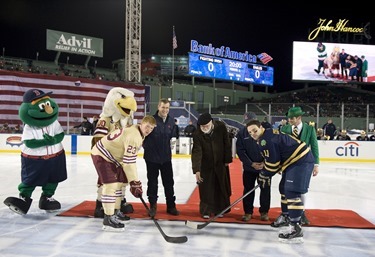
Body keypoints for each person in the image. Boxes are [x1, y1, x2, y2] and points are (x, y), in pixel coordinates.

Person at [246, 119, 315, 243]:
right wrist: (266, 173)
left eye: (255, 131)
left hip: (300, 160)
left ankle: (296, 228)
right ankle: (286, 216)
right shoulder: (267, 134)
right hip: (293, 161)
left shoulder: (265, 140)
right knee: (283, 187)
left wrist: (264, 175)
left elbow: (273, 164)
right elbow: (274, 159)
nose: (253, 134)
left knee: (291, 192)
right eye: (250, 133)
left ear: (261, 127)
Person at [91, 115, 156, 231]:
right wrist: (134, 182)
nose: (149, 130)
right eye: (147, 127)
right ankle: (108, 217)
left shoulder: (138, 132)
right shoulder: (134, 136)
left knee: (120, 183)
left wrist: (133, 182)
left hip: (113, 158)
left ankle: (116, 211)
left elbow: (128, 160)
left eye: (151, 128)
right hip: (102, 155)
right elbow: (129, 162)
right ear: (141, 123)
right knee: (111, 185)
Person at [280, 107, 319, 225]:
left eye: (292, 118)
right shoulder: (285, 128)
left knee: (301, 189)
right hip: (288, 164)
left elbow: (315, 147)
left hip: (304, 164)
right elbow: (280, 147)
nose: (289, 120)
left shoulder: (309, 129)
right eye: (288, 118)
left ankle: (301, 212)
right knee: (286, 189)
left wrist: (316, 165)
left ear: (299, 118)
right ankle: (286, 214)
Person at [143, 98, 180, 217]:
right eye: (163, 107)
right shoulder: (151, 120)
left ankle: (171, 206)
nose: (165, 110)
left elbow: (174, 135)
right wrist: (148, 148)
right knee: (152, 183)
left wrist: (174, 139)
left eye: (167, 108)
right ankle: (153, 206)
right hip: (152, 158)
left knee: (169, 183)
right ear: (158, 107)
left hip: (166, 159)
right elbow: (143, 136)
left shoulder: (171, 121)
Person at [191, 113, 232, 219]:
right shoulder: (197, 134)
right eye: (202, 126)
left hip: (220, 163)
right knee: (206, 189)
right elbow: (196, 152)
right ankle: (206, 211)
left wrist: (227, 159)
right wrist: (197, 170)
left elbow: (226, 142)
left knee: (221, 186)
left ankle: (221, 210)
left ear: (212, 123)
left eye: (206, 126)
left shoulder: (221, 127)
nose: (204, 128)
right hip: (206, 165)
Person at [236, 112, 270, 222]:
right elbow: (240, 151)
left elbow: (272, 150)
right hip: (249, 168)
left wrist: (265, 163)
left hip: (264, 168)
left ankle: (264, 212)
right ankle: (248, 212)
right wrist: (251, 163)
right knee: (248, 190)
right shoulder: (242, 133)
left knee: (265, 190)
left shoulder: (266, 133)